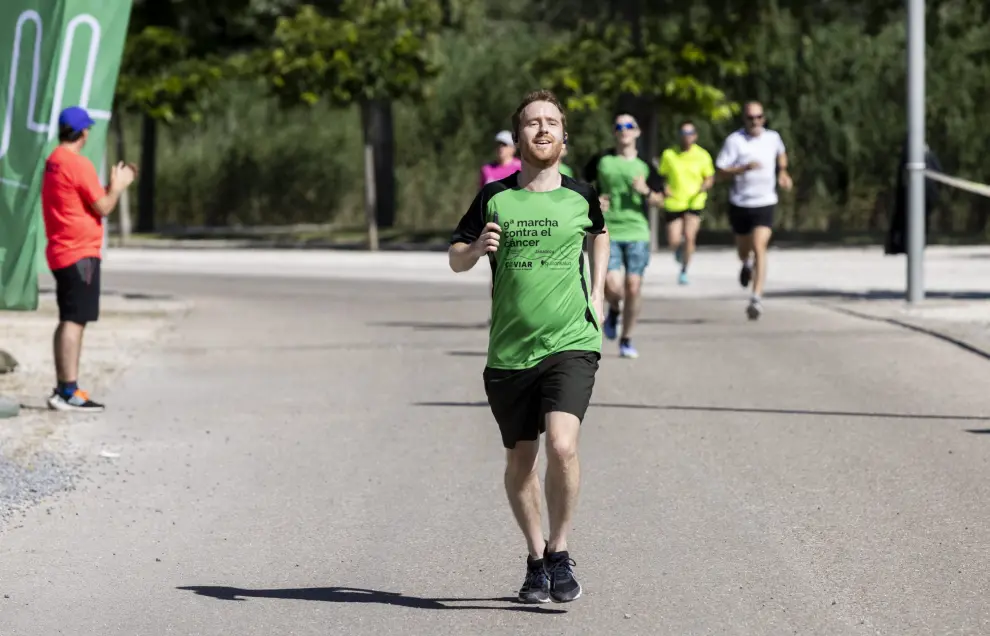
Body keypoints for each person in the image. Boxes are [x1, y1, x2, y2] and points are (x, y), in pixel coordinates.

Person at [448, 89, 609, 605]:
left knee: (563, 445)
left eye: (552, 122)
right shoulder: (494, 197)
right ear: (518, 137)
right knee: (522, 461)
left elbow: (599, 234)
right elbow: (454, 257)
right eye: (533, 123)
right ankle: (535, 558)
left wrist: (599, 291)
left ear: (564, 136)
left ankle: (560, 553)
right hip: (509, 352)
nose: (543, 129)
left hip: (571, 340)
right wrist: (475, 249)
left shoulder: (581, 196)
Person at [41, 106, 137, 411]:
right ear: (83, 132)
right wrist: (119, 185)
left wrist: (109, 188)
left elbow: (88, 202)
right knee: (75, 320)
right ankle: (68, 391)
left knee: (68, 318)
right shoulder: (77, 163)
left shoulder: (54, 161)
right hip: (79, 253)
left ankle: (63, 389)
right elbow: (104, 207)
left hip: (61, 250)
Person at [583, 113, 664, 359]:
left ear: (637, 132)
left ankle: (626, 338)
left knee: (633, 286)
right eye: (619, 126)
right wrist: (594, 202)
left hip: (637, 231)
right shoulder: (602, 160)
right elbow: (580, 188)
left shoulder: (646, 165)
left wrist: (646, 191)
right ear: (614, 132)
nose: (624, 130)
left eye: (629, 125)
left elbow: (661, 199)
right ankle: (615, 310)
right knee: (612, 286)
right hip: (608, 229)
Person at [715, 101, 792, 320]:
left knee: (760, 246)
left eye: (759, 117)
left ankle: (756, 298)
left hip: (765, 201)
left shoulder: (773, 138)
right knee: (743, 250)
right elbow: (720, 170)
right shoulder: (735, 141)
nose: (755, 121)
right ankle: (746, 264)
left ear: (764, 118)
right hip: (741, 202)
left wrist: (783, 173)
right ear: (744, 120)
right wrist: (742, 168)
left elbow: (781, 154)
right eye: (751, 118)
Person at [658, 120, 715, 285]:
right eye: (683, 133)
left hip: (694, 201)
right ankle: (678, 252)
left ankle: (684, 270)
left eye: (690, 133)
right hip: (674, 201)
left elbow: (709, 177)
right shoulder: (669, 154)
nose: (686, 137)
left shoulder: (702, 155)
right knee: (674, 240)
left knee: (690, 236)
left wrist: (705, 186)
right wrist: (664, 188)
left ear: (695, 136)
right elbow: (662, 176)